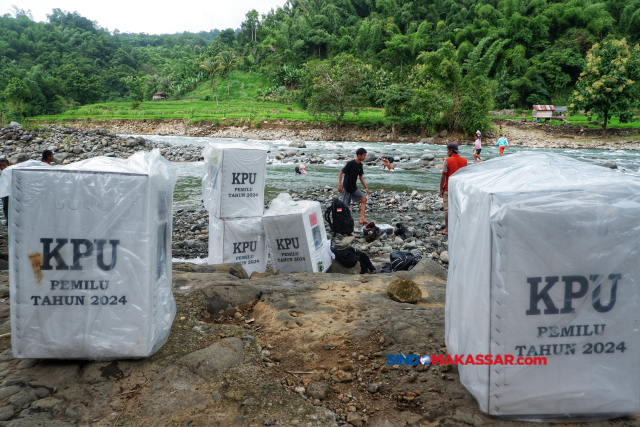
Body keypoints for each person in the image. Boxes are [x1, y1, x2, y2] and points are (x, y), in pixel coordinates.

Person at [439, 143, 467, 235]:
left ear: (451, 150)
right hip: (459, 189)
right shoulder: (464, 161)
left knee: (448, 210)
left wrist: (441, 190)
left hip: (448, 188)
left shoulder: (447, 161)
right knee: (458, 208)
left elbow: (443, 177)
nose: (447, 152)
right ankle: (459, 227)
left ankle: (447, 230)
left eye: (447, 150)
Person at [338, 148, 370, 224]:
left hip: (354, 187)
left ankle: (362, 218)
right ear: (359, 155)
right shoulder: (350, 163)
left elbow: (361, 177)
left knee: (364, 199)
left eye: (365, 155)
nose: (365, 157)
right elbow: (340, 172)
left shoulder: (360, 165)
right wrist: (340, 185)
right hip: (346, 187)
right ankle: (341, 220)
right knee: (345, 206)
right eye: (364, 156)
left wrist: (366, 187)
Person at [0, 159, 9, 223]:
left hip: (10, 194)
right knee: (5, 208)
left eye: (4, 165)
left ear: (8, 165)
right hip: (5, 195)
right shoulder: (1, 174)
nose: (2, 167)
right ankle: (8, 221)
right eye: (0, 166)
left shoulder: (11, 173)